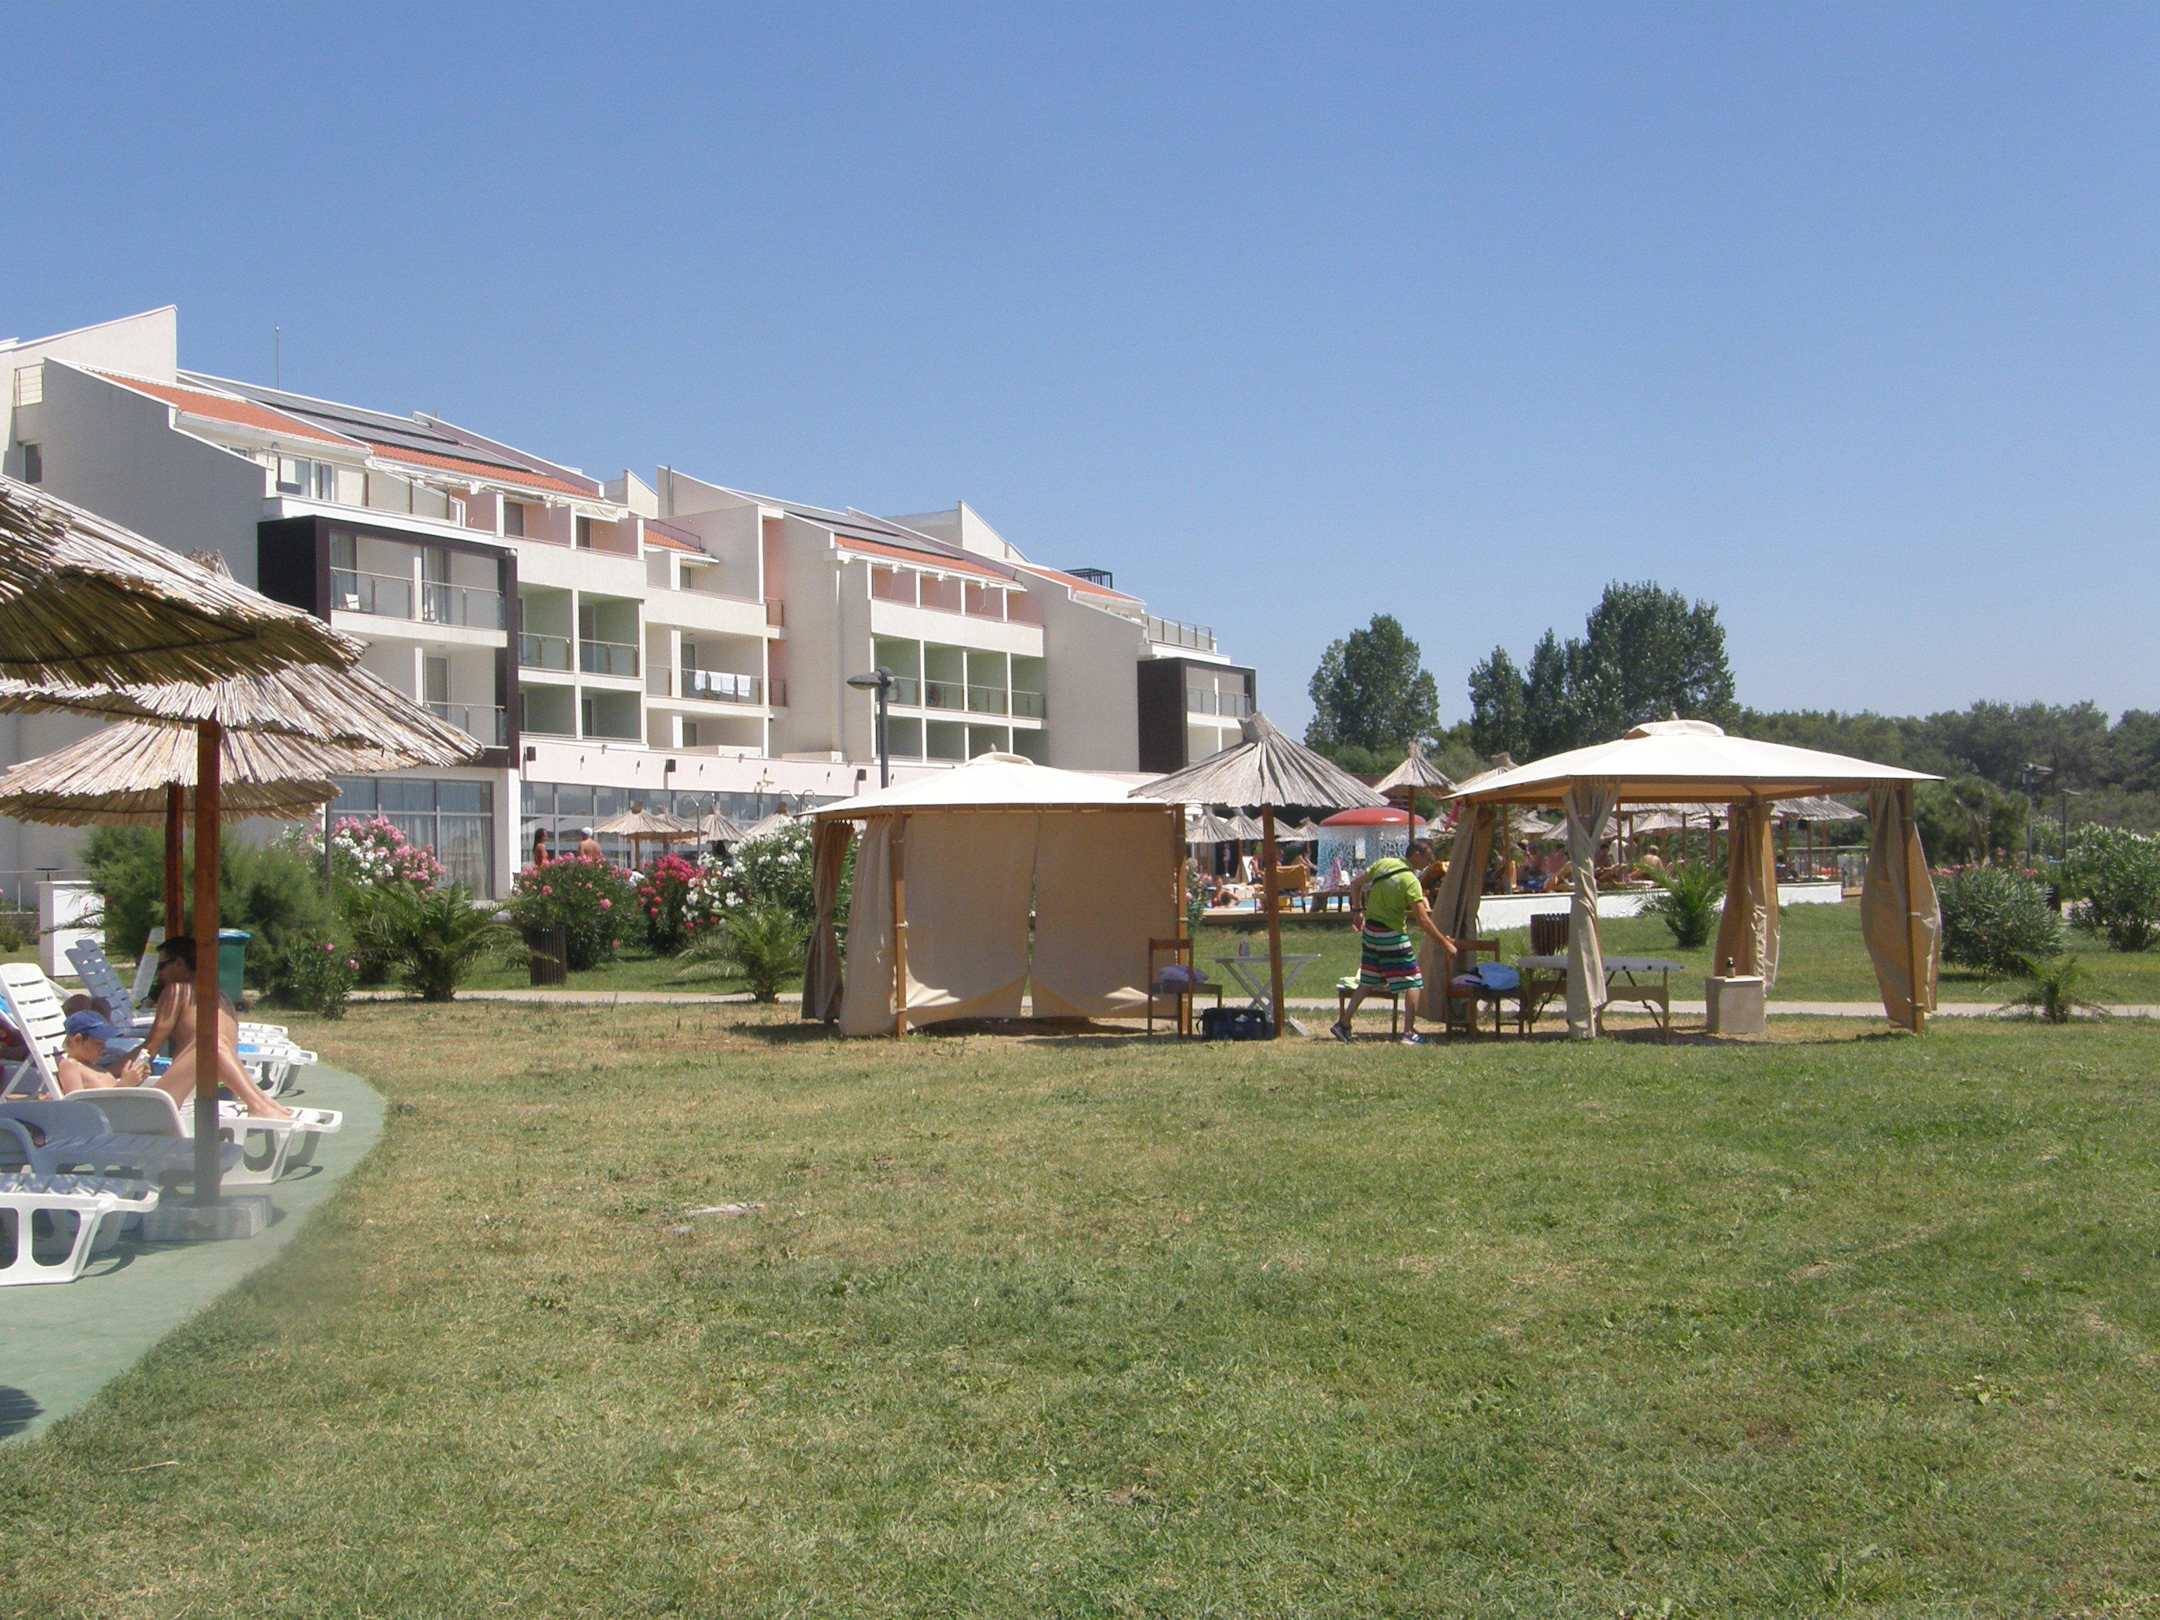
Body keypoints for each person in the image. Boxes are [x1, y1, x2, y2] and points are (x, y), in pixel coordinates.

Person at [136, 936, 292, 1120]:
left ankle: (258, 1105)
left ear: (179, 963)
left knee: (208, 1044)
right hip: (223, 1090)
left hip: (189, 1092)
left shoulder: (177, 991)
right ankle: (262, 1103)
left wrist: (115, 1071)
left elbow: (150, 1049)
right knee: (213, 1042)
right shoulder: (221, 997)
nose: (159, 974)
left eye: (161, 966)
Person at [1332, 838, 1459, 1046]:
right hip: (1392, 935)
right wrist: (1445, 944)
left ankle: (1343, 1024)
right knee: (1413, 981)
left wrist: (1357, 910)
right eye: (1427, 859)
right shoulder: (1410, 880)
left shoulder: (1384, 864)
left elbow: (1355, 884)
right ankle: (1408, 1033)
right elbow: (1423, 920)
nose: (1428, 864)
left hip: (1370, 932)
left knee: (1368, 981)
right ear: (1416, 854)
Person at [54, 1010, 151, 1095]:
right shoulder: (70, 1065)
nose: (104, 1047)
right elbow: (75, 1103)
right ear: (78, 1040)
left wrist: (135, 1080)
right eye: (98, 1043)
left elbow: (111, 1092)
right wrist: (125, 1084)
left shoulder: (95, 1067)